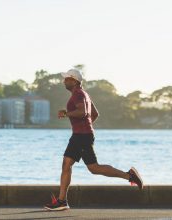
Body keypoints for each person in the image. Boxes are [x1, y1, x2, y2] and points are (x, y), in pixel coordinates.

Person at [44, 69, 143, 211]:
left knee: (93, 168)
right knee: (67, 165)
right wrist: (86, 126)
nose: (64, 81)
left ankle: (129, 176)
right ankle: (62, 201)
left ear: (75, 80)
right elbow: (94, 114)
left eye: (67, 78)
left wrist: (67, 114)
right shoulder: (84, 94)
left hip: (81, 136)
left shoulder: (78, 94)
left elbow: (83, 112)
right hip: (81, 135)